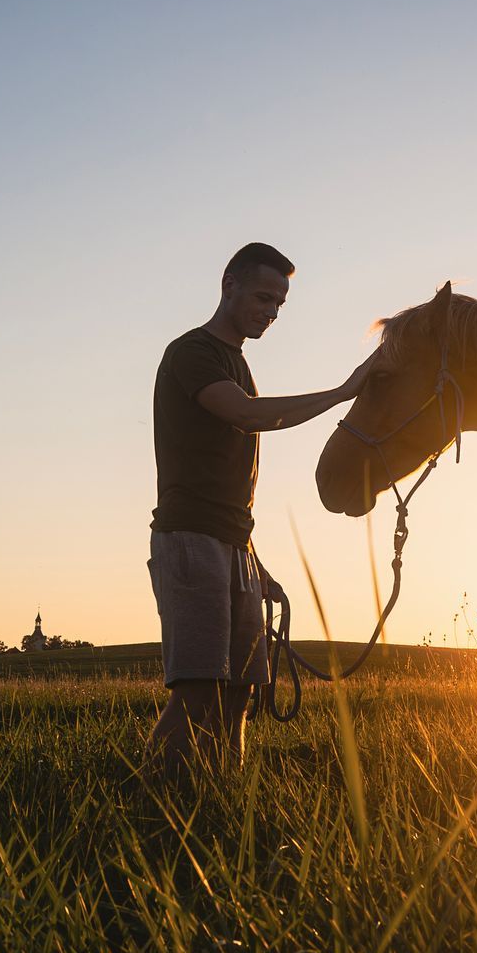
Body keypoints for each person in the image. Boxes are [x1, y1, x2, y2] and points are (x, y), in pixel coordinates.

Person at [147, 241, 371, 771]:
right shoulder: (192, 353)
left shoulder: (237, 364)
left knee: (242, 692)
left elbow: (228, 477)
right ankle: (150, 804)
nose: (271, 313)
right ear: (229, 285)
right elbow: (246, 416)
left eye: (279, 304)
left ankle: (222, 801)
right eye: (263, 297)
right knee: (198, 694)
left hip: (232, 543)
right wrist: (343, 393)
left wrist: (252, 559)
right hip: (190, 540)